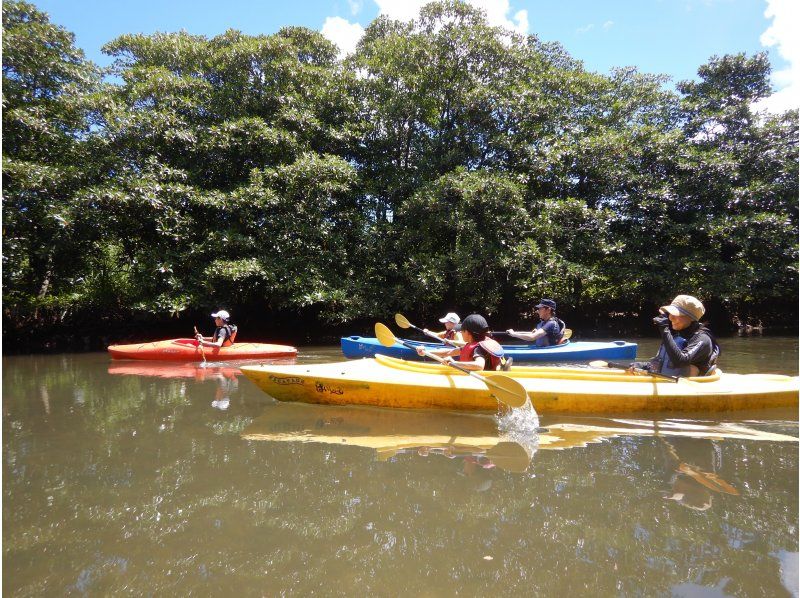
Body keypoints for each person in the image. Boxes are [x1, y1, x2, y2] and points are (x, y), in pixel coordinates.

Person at [629, 295, 719, 377]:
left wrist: (664, 329)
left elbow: (680, 361)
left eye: (676, 314)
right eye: (670, 314)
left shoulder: (703, 339)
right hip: (666, 383)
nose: (671, 318)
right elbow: (660, 364)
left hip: (688, 389)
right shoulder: (676, 335)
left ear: (691, 318)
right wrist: (639, 365)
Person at [416, 314, 507, 371]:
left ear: (467, 333)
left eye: (461, 331)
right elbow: (450, 352)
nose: (460, 333)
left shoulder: (478, 348)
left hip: (484, 380)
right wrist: (426, 352)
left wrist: (454, 363)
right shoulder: (479, 343)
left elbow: (479, 365)